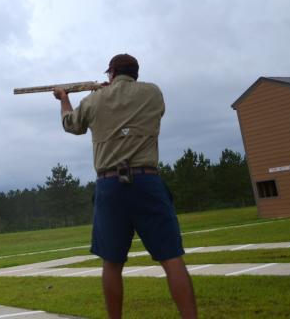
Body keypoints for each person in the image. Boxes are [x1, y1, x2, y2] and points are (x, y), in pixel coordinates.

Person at [53, 54, 197, 319]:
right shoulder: (153, 93)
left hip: (110, 186)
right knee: (171, 258)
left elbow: (71, 125)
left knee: (112, 262)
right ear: (135, 73)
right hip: (148, 181)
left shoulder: (94, 99)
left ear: (111, 73)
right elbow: (145, 108)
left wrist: (64, 98)